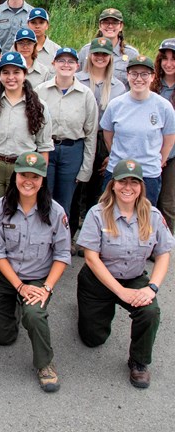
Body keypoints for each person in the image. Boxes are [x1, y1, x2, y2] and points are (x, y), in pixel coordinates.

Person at [76, 159, 175, 389]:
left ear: (141, 186)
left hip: (133, 276)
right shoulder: (97, 213)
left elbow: (163, 254)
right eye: (122, 181)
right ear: (112, 185)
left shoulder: (152, 215)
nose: (127, 187)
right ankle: (88, 309)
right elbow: (91, 257)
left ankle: (139, 362)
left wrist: (151, 288)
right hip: (98, 280)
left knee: (150, 311)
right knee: (92, 340)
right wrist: (120, 292)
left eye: (134, 182)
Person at [0, 51, 53, 298]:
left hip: (24, 169)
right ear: (0, 74)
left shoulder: (38, 105)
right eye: (5, 72)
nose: (11, 77)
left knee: (19, 221)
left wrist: (40, 179)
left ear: (24, 74)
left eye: (16, 72)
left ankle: (17, 273)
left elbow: (45, 146)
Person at [0, 151, 71, 392]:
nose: (28, 181)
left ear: (43, 179)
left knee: (33, 315)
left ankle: (45, 364)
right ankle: (12, 305)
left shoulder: (55, 212)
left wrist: (45, 288)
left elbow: (62, 255)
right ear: (15, 176)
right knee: (2, 337)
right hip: (6, 276)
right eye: (24, 175)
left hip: (37, 278)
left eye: (35, 177)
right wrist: (19, 287)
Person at [101, 56, 175, 205]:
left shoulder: (164, 106)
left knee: (144, 219)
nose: (138, 79)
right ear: (128, 75)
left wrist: (158, 161)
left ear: (153, 77)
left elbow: (169, 140)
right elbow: (108, 136)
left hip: (148, 174)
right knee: (110, 216)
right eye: (134, 73)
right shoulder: (115, 105)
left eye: (144, 74)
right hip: (117, 171)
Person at [71, 38, 127, 236]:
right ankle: (70, 234)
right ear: (89, 55)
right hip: (81, 136)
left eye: (104, 54)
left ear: (111, 57)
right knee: (78, 187)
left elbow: (121, 124)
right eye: (96, 54)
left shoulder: (119, 87)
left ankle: (92, 235)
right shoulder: (76, 79)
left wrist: (113, 153)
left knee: (98, 189)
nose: (100, 58)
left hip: (105, 139)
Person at [34, 47, 99, 217]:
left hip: (72, 151)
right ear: (53, 63)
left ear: (77, 66)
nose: (66, 65)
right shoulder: (40, 91)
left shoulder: (86, 95)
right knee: (42, 198)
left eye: (71, 61)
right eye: (61, 60)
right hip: (46, 150)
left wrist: (86, 168)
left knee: (64, 203)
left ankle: (61, 241)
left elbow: (91, 134)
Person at [77, 7, 139, 86]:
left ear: (121, 26)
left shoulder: (131, 54)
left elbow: (136, 84)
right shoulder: (86, 50)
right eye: (106, 22)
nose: (110, 26)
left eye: (115, 23)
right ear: (100, 25)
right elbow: (75, 79)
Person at [151, 38, 175, 231]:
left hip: (172, 156)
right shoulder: (153, 86)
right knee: (149, 199)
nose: (168, 63)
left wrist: (165, 155)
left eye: (173, 59)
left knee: (167, 203)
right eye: (165, 58)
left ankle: (164, 245)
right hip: (150, 151)